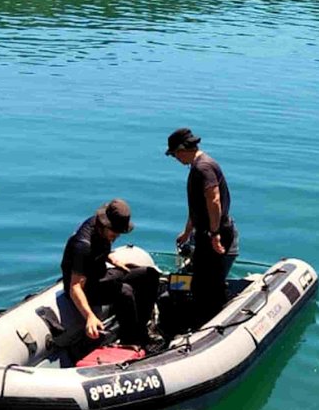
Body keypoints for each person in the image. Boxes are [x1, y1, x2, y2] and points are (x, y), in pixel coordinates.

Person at [60, 199, 160, 347]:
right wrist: (90, 317)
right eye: (115, 232)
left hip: (100, 275)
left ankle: (141, 328)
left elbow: (100, 250)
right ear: (104, 225)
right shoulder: (82, 245)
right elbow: (75, 287)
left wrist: (114, 261)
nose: (117, 235)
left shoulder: (101, 229)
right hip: (85, 287)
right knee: (125, 291)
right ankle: (130, 341)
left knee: (150, 274)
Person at [166, 128, 238, 322]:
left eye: (174, 154)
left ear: (182, 149)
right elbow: (199, 206)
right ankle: (199, 312)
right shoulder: (199, 166)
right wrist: (187, 231)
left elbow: (213, 200)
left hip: (214, 232)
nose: (175, 159)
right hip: (207, 231)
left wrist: (214, 234)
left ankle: (213, 320)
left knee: (209, 283)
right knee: (200, 279)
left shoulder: (202, 167)